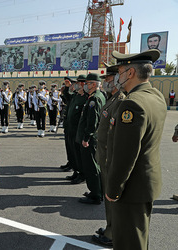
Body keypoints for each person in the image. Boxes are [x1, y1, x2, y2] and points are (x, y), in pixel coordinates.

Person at [106, 49, 166, 250]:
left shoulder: (131, 104)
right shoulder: (156, 96)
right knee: (138, 238)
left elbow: (125, 155)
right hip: (146, 184)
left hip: (131, 189)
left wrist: (113, 189)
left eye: (120, 71)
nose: (118, 76)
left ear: (130, 73)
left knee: (128, 243)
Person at [92, 64, 125, 247]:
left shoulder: (120, 100)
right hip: (104, 157)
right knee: (108, 198)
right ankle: (109, 226)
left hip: (110, 159)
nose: (105, 82)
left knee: (112, 199)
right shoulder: (111, 98)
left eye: (108, 79)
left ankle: (113, 232)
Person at [76, 73, 106, 205]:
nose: (86, 86)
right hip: (94, 137)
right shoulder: (96, 97)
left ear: (94, 84)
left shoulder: (95, 99)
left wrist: (86, 138)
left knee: (91, 166)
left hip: (91, 139)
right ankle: (97, 190)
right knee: (94, 165)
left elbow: (92, 121)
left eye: (88, 83)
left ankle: (95, 195)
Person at [65, 75, 87, 184]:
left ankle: (82, 174)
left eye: (77, 83)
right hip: (71, 130)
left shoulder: (86, 98)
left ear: (82, 84)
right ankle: (76, 171)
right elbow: (67, 97)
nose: (75, 85)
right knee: (74, 154)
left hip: (78, 131)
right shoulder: (76, 96)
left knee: (79, 154)